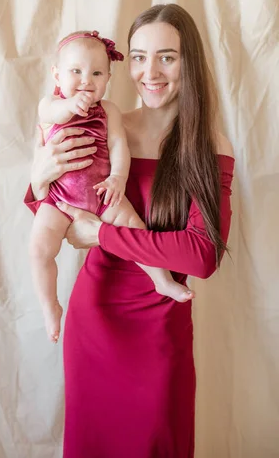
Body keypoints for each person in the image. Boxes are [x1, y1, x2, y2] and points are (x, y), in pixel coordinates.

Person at [24, 4, 235, 458]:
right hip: (94, 315)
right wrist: (38, 176)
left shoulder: (208, 146)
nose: (150, 71)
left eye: (167, 57)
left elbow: (201, 256)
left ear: (189, 63)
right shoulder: (103, 122)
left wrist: (100, 235)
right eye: (138, 57)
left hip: (161, 322)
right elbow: (61, 206)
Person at [29, 30, 194, 343]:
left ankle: (161, 279)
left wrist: (118, 178)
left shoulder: (110, 111)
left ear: (108, 78)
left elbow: (119, 145)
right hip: (62, 199)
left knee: (136, 225)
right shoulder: (50, 104)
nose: (85, 81)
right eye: (75, 72)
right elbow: (54, 114)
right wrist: (72, 104)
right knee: (39, 249)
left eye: (96, 73)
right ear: (56, 74)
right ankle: (50, 306)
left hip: (103, 193)